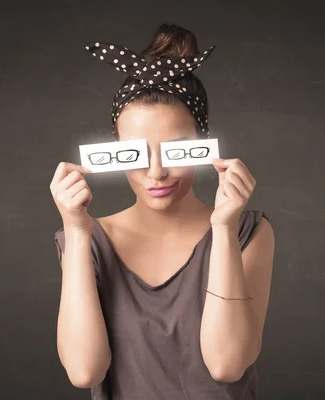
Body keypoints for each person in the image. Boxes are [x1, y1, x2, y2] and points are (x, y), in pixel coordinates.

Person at [50, 23, 275, 400]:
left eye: (176, 149)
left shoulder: (248, 233)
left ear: (202, 146)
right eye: (136, 153)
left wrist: (222, 229)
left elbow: (227, 365)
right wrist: (76, 232)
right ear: (116, 151)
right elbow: (84, 370)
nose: (156, 172)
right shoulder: (86, 240)